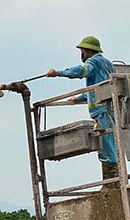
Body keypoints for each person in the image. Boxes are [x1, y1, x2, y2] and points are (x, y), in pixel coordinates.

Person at [47, 36, 118, 182]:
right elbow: (98, 87)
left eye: (82, 51)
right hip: (110, 109)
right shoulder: (107, 64)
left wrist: (59, 73)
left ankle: (113, 182)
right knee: (110, 144)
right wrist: (78, 98)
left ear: (87, 50)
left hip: (102, 110)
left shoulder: (94, 62)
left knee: (106, 147)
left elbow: (81, 71)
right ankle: (114, 180)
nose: (82, 54)